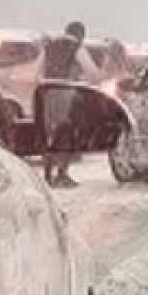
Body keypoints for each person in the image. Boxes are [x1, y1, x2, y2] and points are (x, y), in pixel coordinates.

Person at [41, 21, 101, 187]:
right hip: (66, 92)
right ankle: (62, 173)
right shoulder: (75, 47)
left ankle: (47, 175)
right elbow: (92, 71)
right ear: (80, 35)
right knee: (68, 132)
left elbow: (38, 71)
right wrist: (84, 80)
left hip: (47, 91)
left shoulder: (50, 46)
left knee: (49, 133)